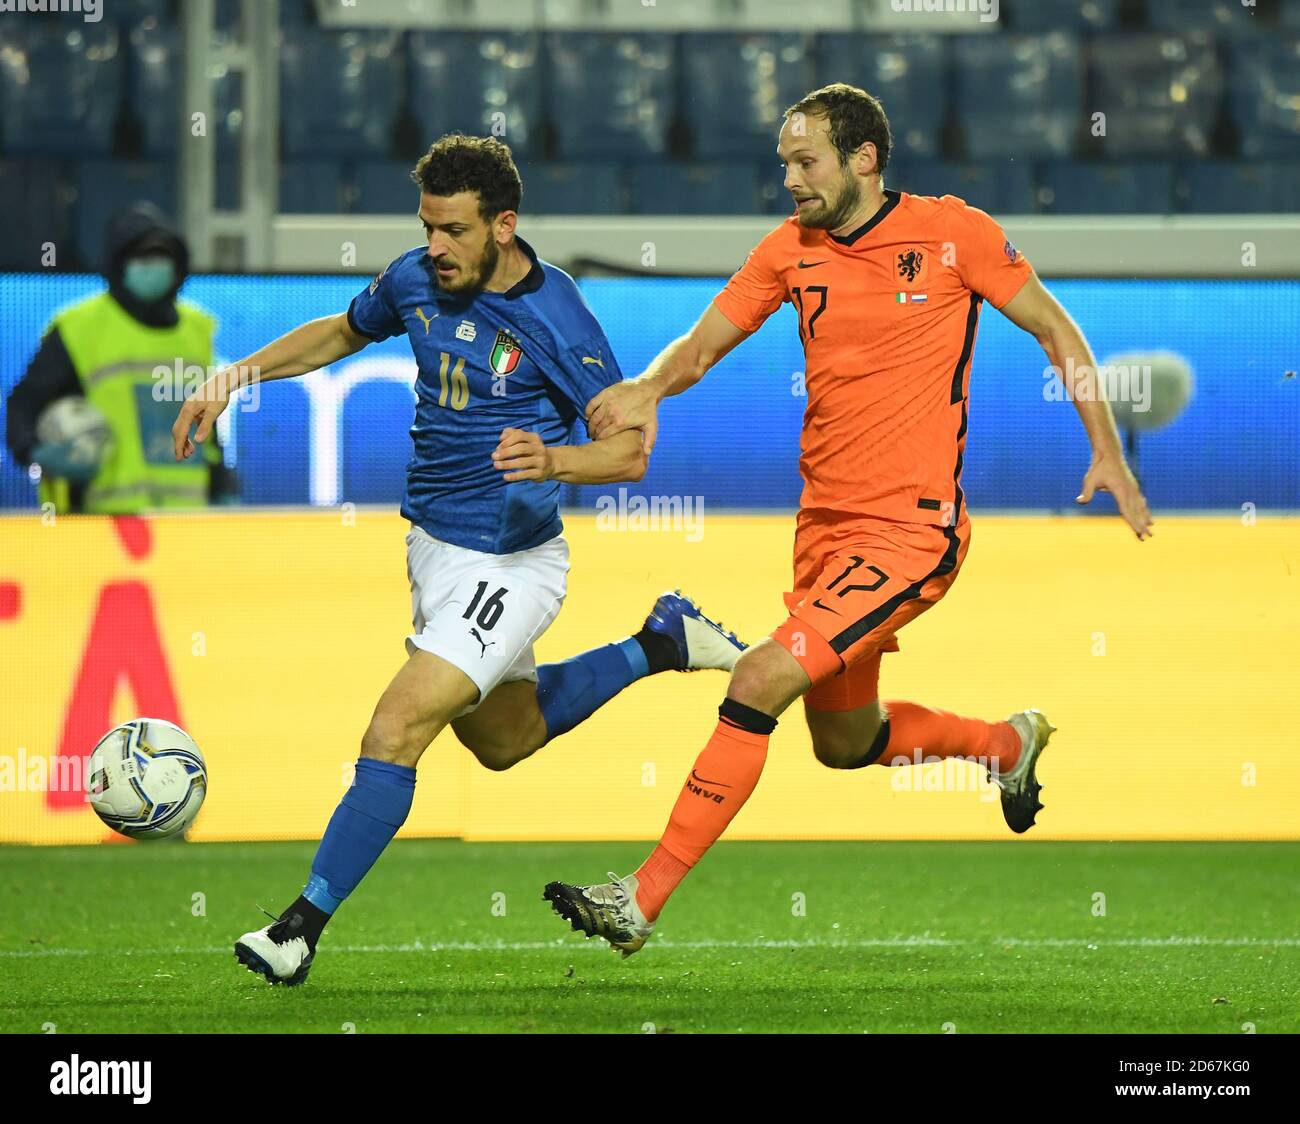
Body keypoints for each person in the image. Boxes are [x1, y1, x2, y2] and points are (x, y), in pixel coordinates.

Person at [542, 84, 1154, 957]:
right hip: (824, 531)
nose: (789, 180)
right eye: (784, 163)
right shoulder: (789, 250)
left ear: (864, 158)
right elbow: (704, 344)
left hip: (913, 531)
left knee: (757, 679)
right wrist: (646, 386)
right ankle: (1004, 745)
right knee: (842, 741)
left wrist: (1108, 450)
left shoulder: (954, 234)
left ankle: (639, 898)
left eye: (804, 162)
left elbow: (1057, 329)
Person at [170, 134, 744, 986]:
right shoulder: (414, 278)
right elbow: (341, 330)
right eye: (427, 227)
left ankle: (298, 929)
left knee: (394, 729)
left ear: (503, 226)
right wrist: (235, 377)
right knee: (505, 742)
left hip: (513, 566)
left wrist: (554, 461)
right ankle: (660, 642)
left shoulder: (559, 318)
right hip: (433, 551)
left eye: (454, 231)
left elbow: (626, 453)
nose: (435, 248)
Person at [6, 202, 235, 512]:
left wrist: (221, 482)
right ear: (117, 265)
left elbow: (205, 421)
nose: (153, 265)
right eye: (140, 257)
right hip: (99, 522)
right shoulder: (79, 327)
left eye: (162, 256)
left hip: (184, 524)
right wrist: (35, 453)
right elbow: (25, 402)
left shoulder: (197, 330)